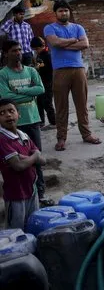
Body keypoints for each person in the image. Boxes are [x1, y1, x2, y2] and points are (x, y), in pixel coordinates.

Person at [0, 40, 53, 206]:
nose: (18, 53)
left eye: (20, 50)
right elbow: (4, 97)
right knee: (14, 161)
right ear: (6, 53)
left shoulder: (30, 70)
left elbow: (41, 89)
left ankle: (40, 192)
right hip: (13, 124)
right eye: (14, 50)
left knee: (36, 157)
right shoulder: (3, 74)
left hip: (33, 119)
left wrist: (20, 92)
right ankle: (21, 195)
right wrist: (29, 95)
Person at [44, 1, 101, 151]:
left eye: (66, 11)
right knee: (61, 106)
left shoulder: (78, 27)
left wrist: (64, 44)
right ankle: (61, 138)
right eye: (61, 11)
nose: (64, 13)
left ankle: (86, 134)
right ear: (56, 13)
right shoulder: (50, 28)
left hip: (78, 69)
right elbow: (54, 42)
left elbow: (85, 44)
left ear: (69, 12)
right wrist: (72, 41)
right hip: (60, 70)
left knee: (82, 105)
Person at [0, 98, 47, 230]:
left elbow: (43, 161)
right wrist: (34, 156)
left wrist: (28, 158)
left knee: (33, 226)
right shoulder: (2, 139)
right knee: (16, 232)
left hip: (32, 191)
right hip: (15, 195)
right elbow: (18, 166)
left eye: (11, 111)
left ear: (18, 114)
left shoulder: (23, 136)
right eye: (2, 113)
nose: (8, 115)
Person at [30, 37, 55, 129]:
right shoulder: (39, 55)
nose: (36, 51)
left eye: (37, 49)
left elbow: (50, 69)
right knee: (39, 102)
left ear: (42, 46)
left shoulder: (47, 55)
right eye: (34, 50)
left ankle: (54, 122)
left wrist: (38, 67)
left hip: (48, 82)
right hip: (40, 82)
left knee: (47, 102)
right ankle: (41, 122)